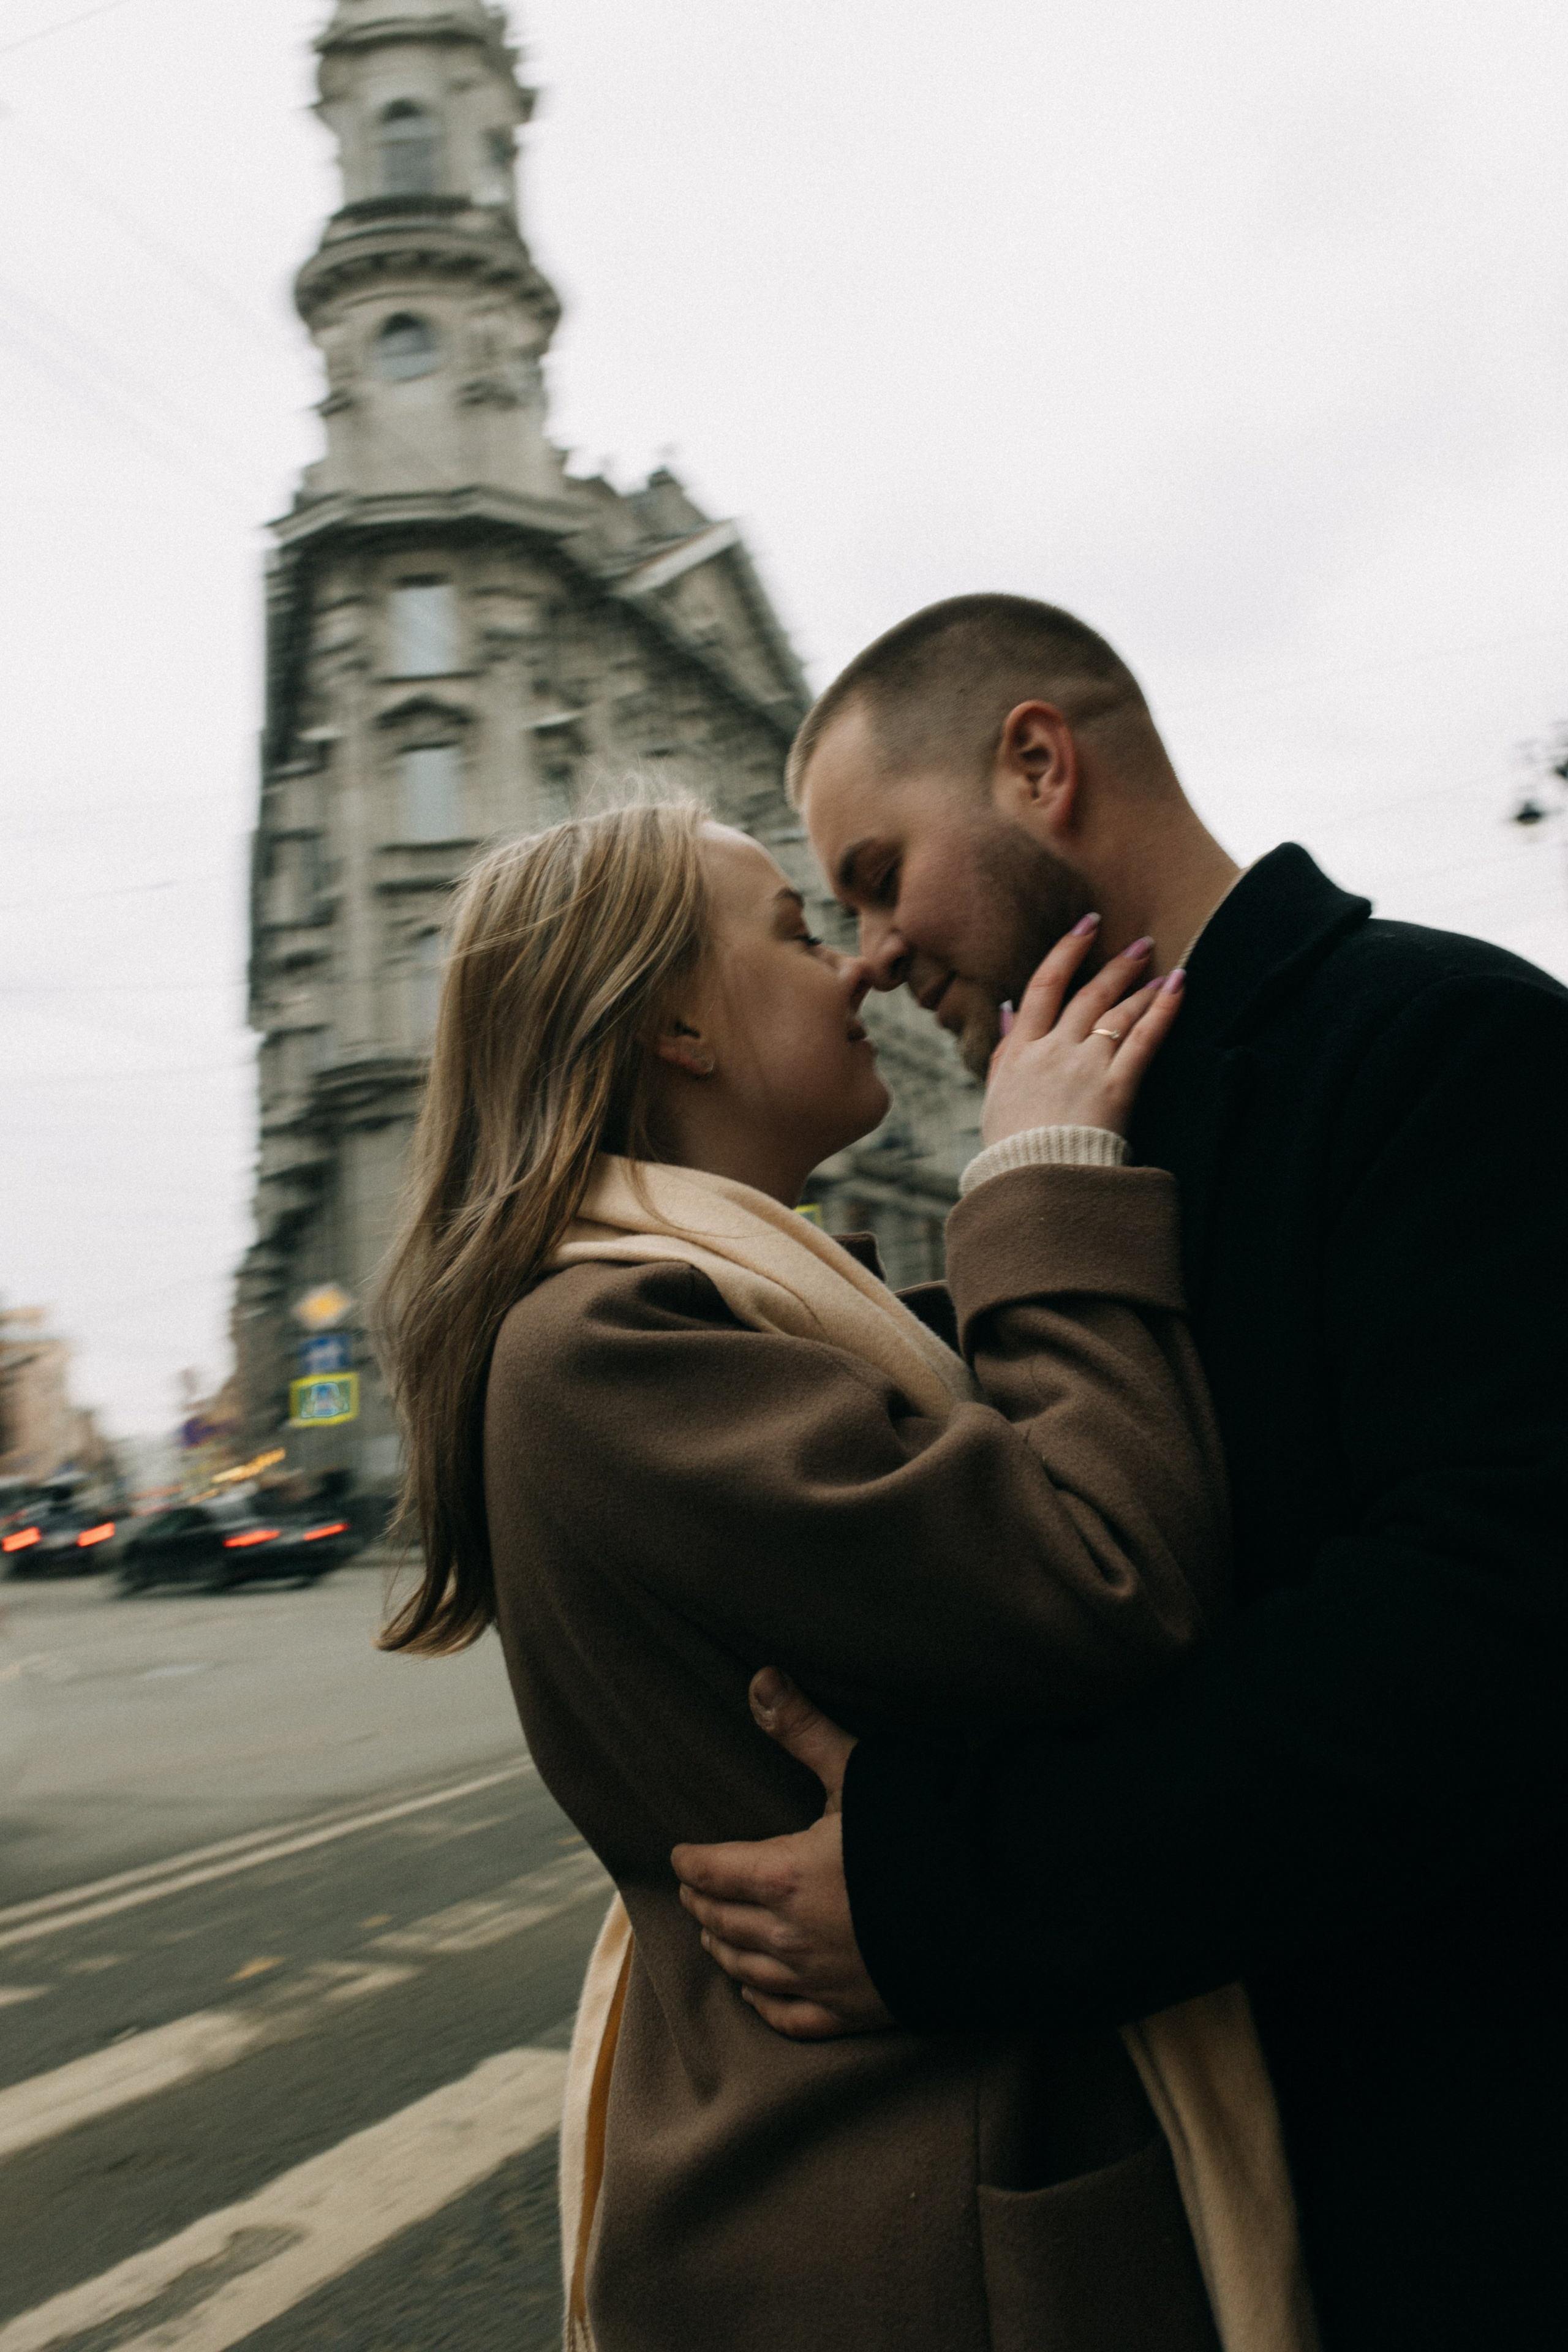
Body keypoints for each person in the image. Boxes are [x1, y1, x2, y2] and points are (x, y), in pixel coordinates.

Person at [671, 595, 1568, 2352]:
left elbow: (1486, 1637)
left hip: (1466, 2174)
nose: (865, 951)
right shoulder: (1061, 1136)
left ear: (1036, 763)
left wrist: (960, 1887)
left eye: (874, 873)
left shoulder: (1446, 1043)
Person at [374, 796, 1313, 2352]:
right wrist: (1045, 1169)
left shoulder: (724, 1319)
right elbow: (1102, 1579)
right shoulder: (602, 1349)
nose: (861, 967)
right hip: (904, 2220)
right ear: (677, 1021)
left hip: (905, 2171)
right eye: (799, 932)